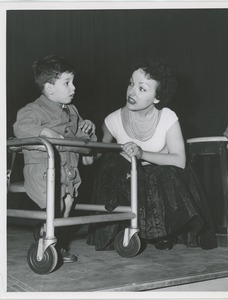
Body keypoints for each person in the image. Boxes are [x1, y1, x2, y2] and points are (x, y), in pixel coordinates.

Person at [87, 57, 217, 251]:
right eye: (131, 83)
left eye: (142, 88)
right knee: (113, 164)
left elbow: (180, 160)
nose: (132, 92)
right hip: (129, 184)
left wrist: (141, 154)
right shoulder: (112, 120)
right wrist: (87, 140)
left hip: (162, 187)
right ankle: (126, 227)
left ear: (156, 97)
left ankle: (165, 232)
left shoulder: (168, 117)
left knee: (165, 173)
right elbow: (94, 159)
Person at [13, 54, 97, 262]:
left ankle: (54, 241)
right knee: (56, 207)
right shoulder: (33, 110)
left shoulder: (72, 111)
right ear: (50, 88)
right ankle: (46, 237)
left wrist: (89, 131)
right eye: (67, 83)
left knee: (67, 207)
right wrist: (44, 132)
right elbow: (20, 128)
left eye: (73, 82)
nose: (74, 88)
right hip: (43, 171)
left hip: (68, 172)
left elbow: (82, 142)